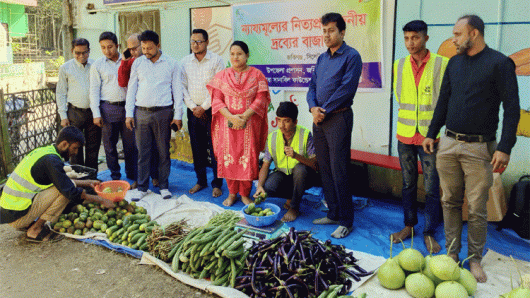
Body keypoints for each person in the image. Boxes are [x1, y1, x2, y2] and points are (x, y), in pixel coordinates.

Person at [423, 15, 520, 283]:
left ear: (474, 33)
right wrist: (432, 133)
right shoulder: (454, 63)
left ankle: (474, 259)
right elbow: (443, 101)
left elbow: (512, 109)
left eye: (457, 34)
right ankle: (453, 254)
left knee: (477, 208)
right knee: (450, 201)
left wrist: (504, 147)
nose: (453, 39)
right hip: (449, 143)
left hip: (480, 148)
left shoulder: (500, 64)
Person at [391, 20, 449, 253]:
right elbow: (399, 95)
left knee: (432, 187)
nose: (410, 43)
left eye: (415, 38)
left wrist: (432, 130)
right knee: (407, 184)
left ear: (426, 38)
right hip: (405, 135)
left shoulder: (442, 64)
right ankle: (409, 226)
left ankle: (429, 232)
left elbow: (445, 100)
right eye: (406, 38)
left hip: (430, 138)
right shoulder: (399, 64)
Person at [0, 126, 114, 242]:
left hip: (10, 211)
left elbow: (60, 180)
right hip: (17, 217)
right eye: (75, 148)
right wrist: (101, 200)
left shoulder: (45, 152)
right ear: (65, 144)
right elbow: (69, 191)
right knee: (64, 193)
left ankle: (29, 223)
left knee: (63, 187)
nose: (75, 152)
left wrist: (87, 182)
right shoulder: (52, 161)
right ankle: (35, 229)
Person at [306, 13, 362, 239]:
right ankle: (333, 212)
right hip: (318, 119)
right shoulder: (322, 58)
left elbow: (346, 89)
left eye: (331, 31)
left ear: (342, 32)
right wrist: (312, 108)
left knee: (339, 170)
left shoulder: (351, 57)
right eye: (324, 31)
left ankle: (346, 220)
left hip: (338, 118)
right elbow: (311, 87)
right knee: (325, 168)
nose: (326, 35)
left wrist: (323, 110)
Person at [207, 41, 271, 207]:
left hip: (248, 124)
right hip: (227, 126)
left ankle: (244, 194)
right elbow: (216, 100)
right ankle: (232, 193)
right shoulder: (222, 76)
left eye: (239, 54)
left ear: (247, 55)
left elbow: (261, 98)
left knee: (248, 158)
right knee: (228, 158)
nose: (235, 57)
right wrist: (231, 117)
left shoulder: (257, 75)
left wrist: (244, 116)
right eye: (232, 54)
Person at [125, 30, 182, 201]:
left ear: (158, 46)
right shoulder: (138, 63)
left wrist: (177, 115)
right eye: (143, 48)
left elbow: (177, 91)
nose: (146, 51)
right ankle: (142, 187)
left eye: (149, 48)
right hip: (141, 112)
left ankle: (164, 186)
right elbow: (131, 89)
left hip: (163, 112)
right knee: (143, 152)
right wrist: (129, 114)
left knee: (164, 151)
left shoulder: (172, 63)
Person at [253, 102, 319, 222]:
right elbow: (265, 165)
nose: (282, 125)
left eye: (287, 121)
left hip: (304, 177)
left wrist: (296, 156)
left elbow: (315, 165)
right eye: (279, 120)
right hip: (284, 175)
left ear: (295, 122)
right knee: (269, 186)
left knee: (300, 169)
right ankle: (291, 197)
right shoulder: (273, 137)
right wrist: (259, 187)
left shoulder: (305, 134)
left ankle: (294, 207)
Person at [180, 29, 225, 198]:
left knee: (215, 149)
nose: (195, 45)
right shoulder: (184, 62)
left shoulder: (216, 60)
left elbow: (218, 86)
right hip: (193, 110)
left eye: (199, 42)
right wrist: (193, 107)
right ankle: (201, 181)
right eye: (192, 41)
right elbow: (182, 86)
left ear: (207, 43)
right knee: (197, 147)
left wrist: (204, 107)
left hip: (212, 110)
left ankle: (217, 184)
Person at [90, 31, 138, 188]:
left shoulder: (130, 60)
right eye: (103, 48)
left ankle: (132, 173)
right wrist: (96, 114)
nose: (107, 51)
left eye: (110, 47)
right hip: (107, 108)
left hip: (127, 107)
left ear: (117, 46)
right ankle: (115, 175)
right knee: (110, 146)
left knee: (130, 144)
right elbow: (94, 90)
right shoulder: (98, 65)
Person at [118, 33, 159, 188]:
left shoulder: (157, 60)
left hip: (153, 109)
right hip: (135, 109)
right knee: (137, 147)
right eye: (130, 49)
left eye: (135, 48)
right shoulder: (133, 62)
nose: (134, 52)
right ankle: (139, 178)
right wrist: (124, 61)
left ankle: (155, 176)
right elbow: (123, 83)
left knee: (154, 145)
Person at [56, 38, 102, 171]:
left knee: (93, 147)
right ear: (72, 51)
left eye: (84, 52)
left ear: (89, 51)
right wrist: (63, 116)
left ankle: (92, 177)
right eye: (77, 53)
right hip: (74, 113)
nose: (81, 56)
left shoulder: (95, 65)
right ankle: (78, 177)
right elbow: (61, 93)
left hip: (93, 113)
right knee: (75, 148)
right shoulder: (65, 68)